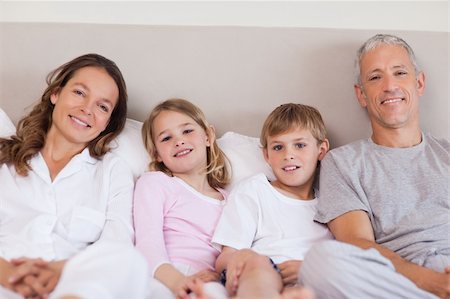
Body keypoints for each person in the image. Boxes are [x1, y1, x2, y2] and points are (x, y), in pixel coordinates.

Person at [299, 34, 450, 299]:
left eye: (400, 72)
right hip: (398, 284)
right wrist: (433, 282)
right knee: (320, 260)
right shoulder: (342, 163)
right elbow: (357, 242)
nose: (390, 86)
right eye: (375, 77)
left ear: (419, 83)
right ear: (362, 95)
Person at [0, 54, 148, 299]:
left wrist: (60, 270)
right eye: (79, 93)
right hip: (6, 278)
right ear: (56, 94)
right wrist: (8, 274)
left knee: (131, 261)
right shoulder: (4, 157)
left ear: (107, 124)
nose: (86, 109)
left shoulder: (112, 170)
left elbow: (117, 243)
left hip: (73, 284)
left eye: (102, 107)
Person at [212, 103, 331, 299]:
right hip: (259, 273)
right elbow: (226, 257)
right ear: (266, 154)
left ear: (321, 149)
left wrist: (308, 270)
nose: (288, 155)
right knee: (258, 264)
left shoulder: (332, 202)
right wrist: (243, 260)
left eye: (299, 145)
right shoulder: (254, 190)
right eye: (278, 147)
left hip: (309, 278)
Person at [133, 98, 230, 299]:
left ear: (208, 136)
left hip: (211, 283)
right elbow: (147, 244)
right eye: (166, 138)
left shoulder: (231, 201)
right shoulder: (155, 183)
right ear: (156, 154)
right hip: (164, 276)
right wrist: (178, 281)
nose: (179, 141)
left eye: (187, 131)